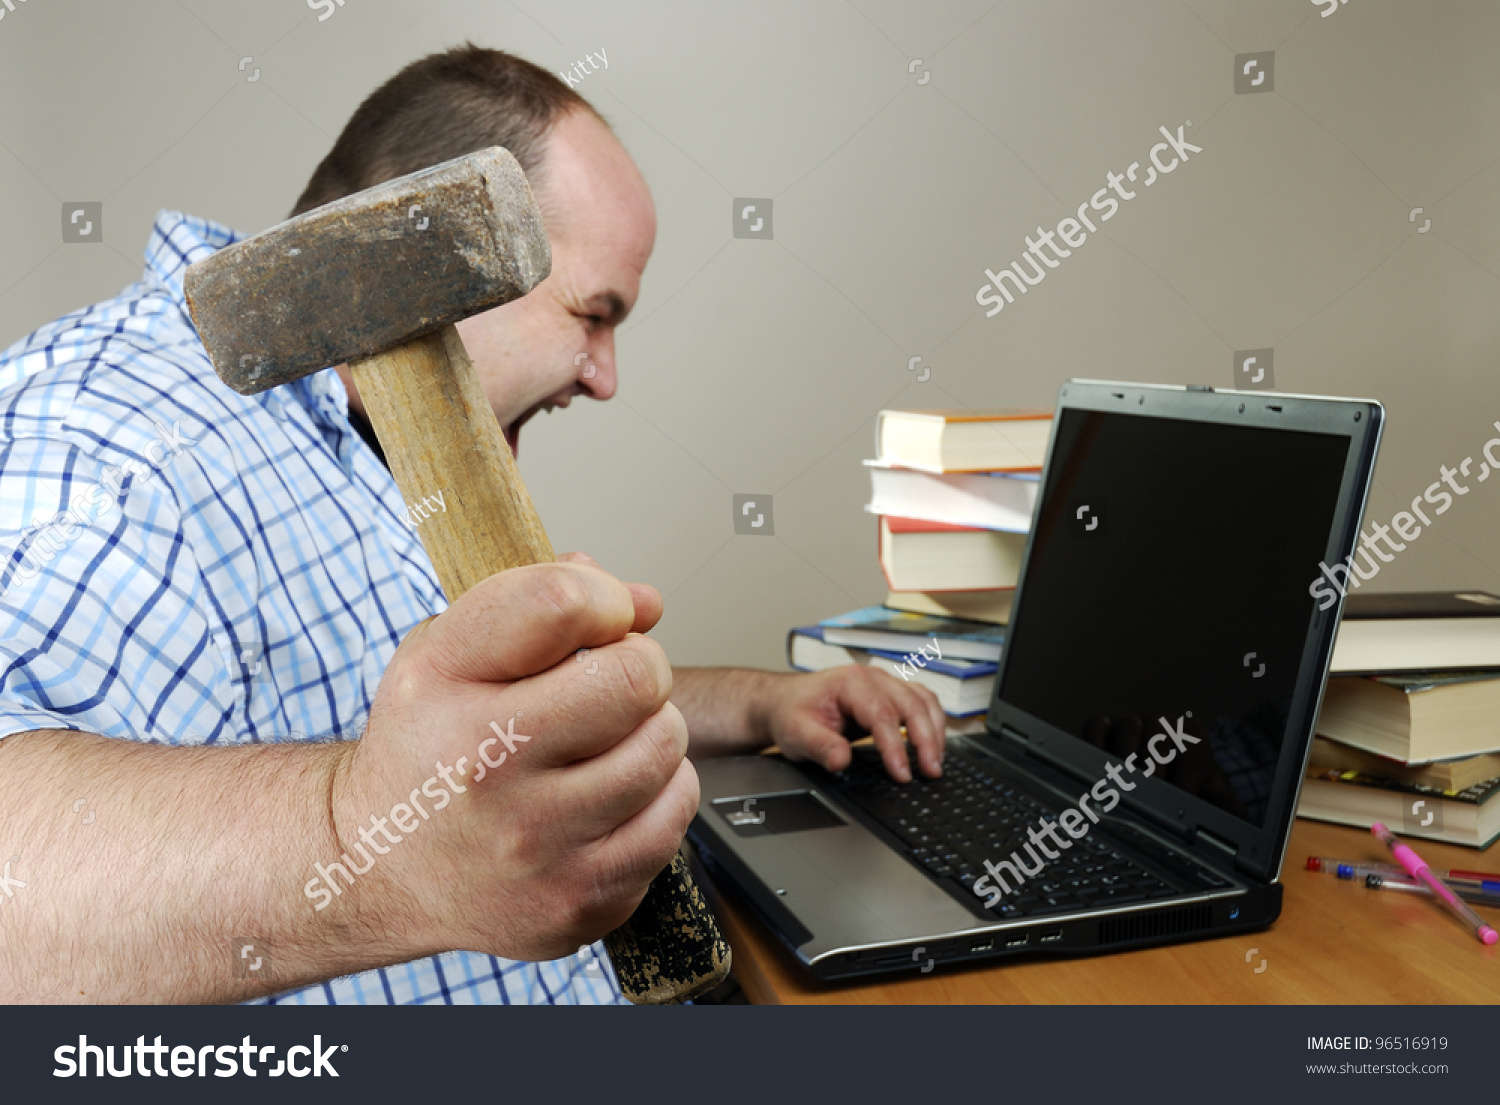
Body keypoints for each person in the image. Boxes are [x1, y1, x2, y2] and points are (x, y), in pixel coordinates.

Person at [0, 44, 945, 1005]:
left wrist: (759, 702)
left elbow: (495, 735)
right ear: (423, 224)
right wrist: (360, 832)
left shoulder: (375, 436)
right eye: (593, 312)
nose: (605, 377)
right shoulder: (99, 439)